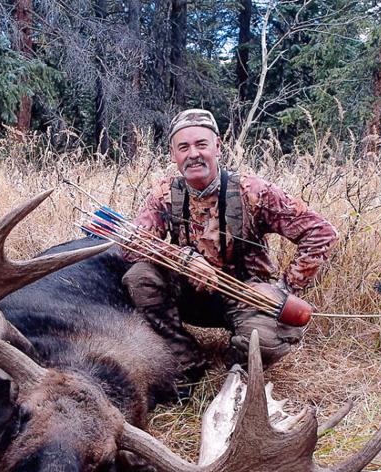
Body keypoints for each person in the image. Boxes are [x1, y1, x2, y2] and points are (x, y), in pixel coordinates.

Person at [121, 108, 337, 382]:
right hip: (188, 293)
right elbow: (132, 245)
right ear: (174, 154)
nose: (193, 154)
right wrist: (183, 259)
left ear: (217, 146)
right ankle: (186, 357)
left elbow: (321, 232)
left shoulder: (253, 191)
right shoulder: (164, 193)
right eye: (183, 147)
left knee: (271, 338)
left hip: (245, 295)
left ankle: (236, 366)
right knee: (139, 277)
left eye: (201, 144)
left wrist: (285, 287)